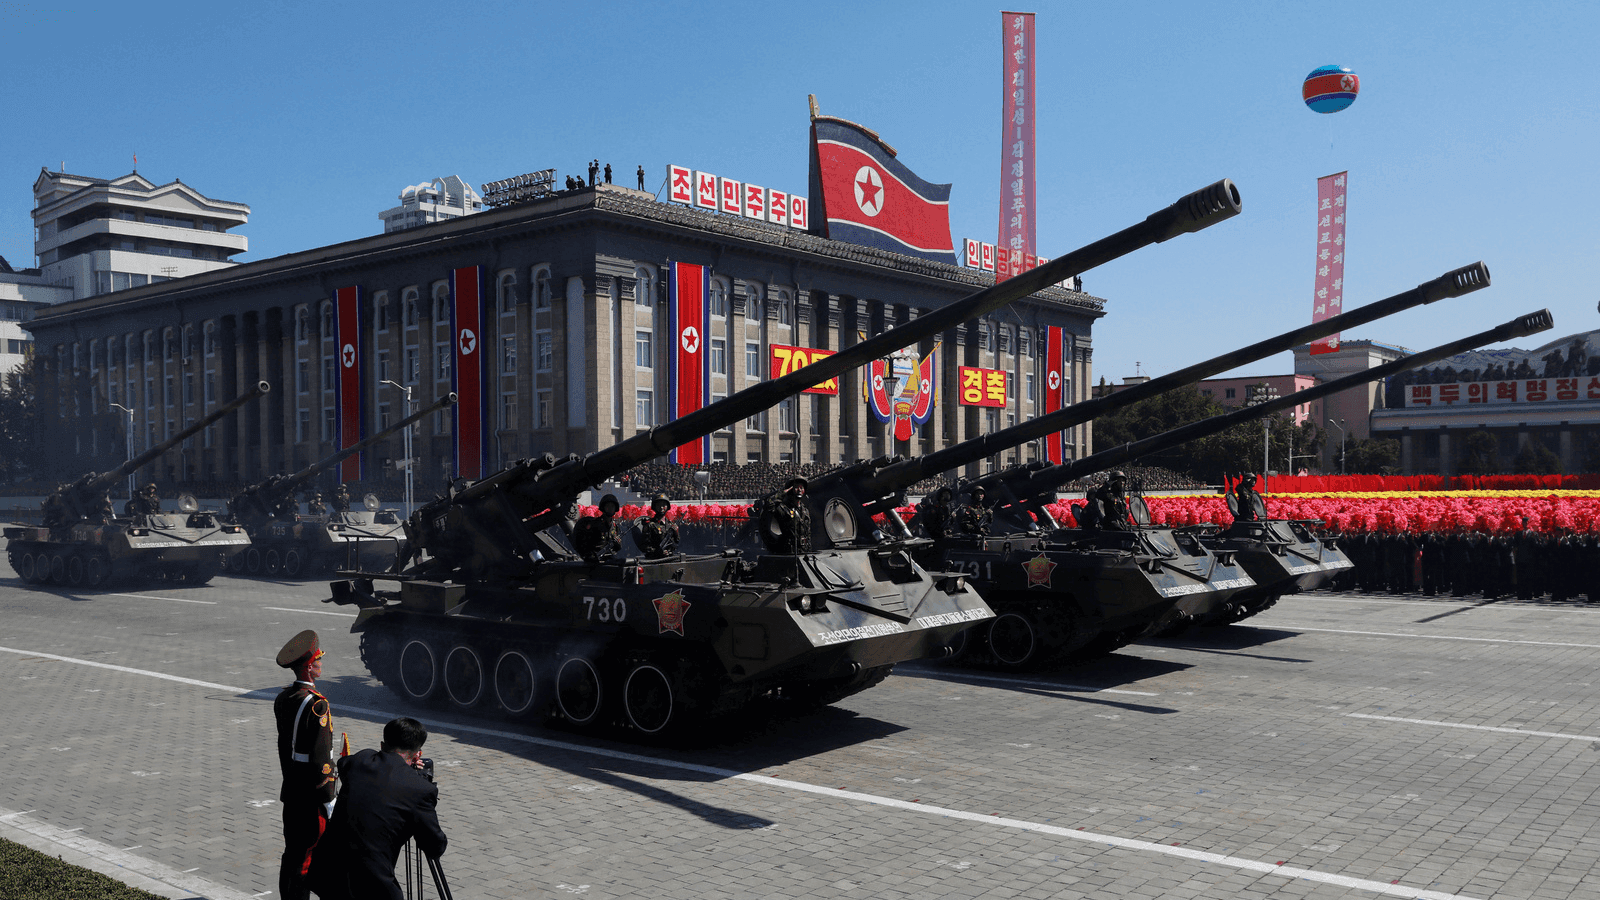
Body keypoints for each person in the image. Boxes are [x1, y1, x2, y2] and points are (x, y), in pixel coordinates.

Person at [309, 717, 447, 900]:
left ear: (382, 745)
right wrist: (412, 776)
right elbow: (434, 846)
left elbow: (344, 764)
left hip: (327, 873)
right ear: (417, 755)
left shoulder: (360, 761)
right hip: (371, 885)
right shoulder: (420, 790)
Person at [275, 630, 337, 900]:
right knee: (306, 859)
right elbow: (321, 760)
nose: (322, 663)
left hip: (291, 790)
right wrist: (329, 796)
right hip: (312, 797)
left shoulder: (285, 697)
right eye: (319, 660)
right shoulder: (317, 705)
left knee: (292, 853)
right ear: (310, 667)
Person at [764, 477, 812, 554]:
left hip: (804, 551)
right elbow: (769, 503)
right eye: (796, 487)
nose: (799, 490)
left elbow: (807, 533)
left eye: (801, 488)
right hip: (789, 552)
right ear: (790, 490)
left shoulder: (805, 511)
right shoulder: (782, 508)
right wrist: (782, 493)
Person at [571, 493, 622, 561]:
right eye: (608, 506)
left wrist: (618, 544)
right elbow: (584, 544)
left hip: (609, 560)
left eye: (612, 506)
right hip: (595, 562)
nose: (610, 508)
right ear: (603, 508)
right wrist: (590, 556)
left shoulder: (615, 527)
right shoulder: (595, 524)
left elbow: (616, 549)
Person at [636, 494, 679, 559]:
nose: (661, 507)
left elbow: (677, 542)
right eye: (659, 505)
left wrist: (676, 533)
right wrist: (657, 552)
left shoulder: (671, 524)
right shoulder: (650, 525)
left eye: (664, 505)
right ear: (655, 507)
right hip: (654, 560)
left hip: (670, 558)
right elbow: (644, 546)